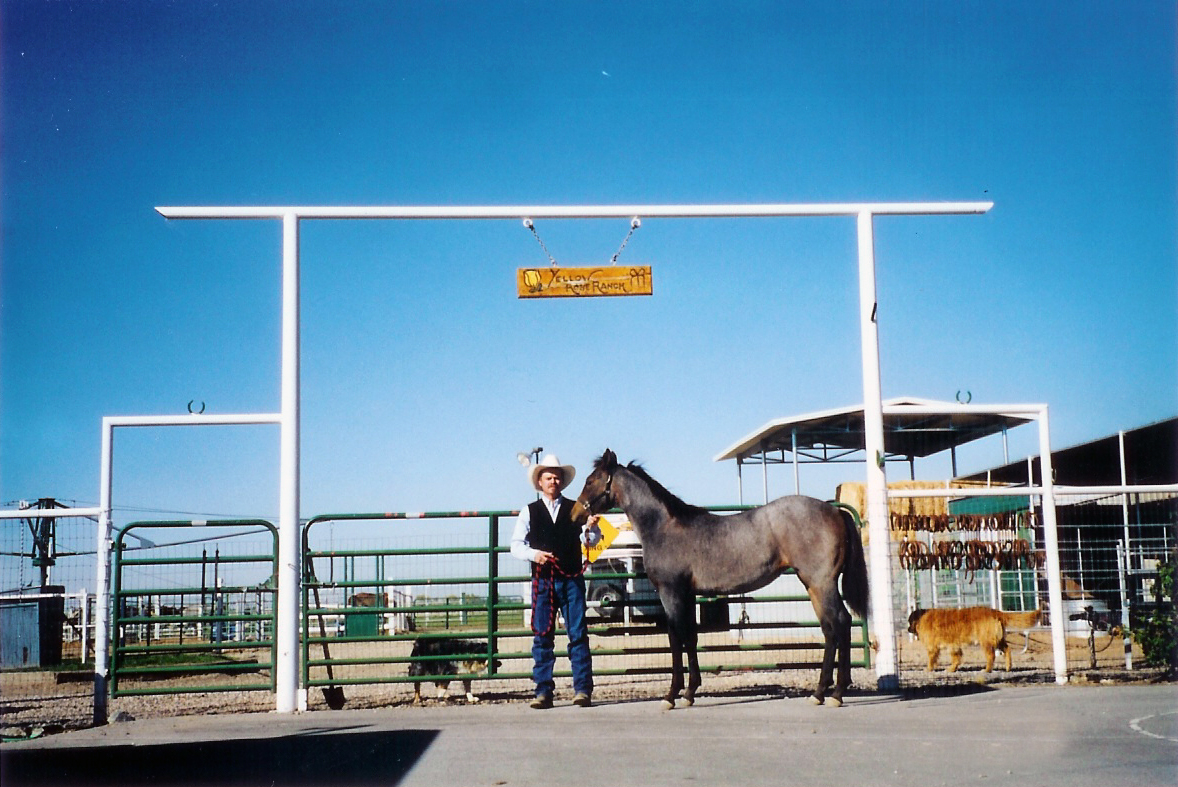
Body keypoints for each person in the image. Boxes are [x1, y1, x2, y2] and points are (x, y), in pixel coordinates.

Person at [510, 453, 594, 709]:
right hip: (543, 581)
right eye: (548, 477)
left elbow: (590, 540)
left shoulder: (576, 509)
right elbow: (516, 545)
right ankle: (543, 691)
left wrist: (591, 528)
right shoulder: (529, 511)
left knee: (578, 634)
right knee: (542, 635)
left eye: (556, 477)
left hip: (571, 579)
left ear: (562, 481)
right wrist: (535, 555)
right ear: (540, 481)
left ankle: (582, 690)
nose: (553, 481)